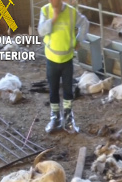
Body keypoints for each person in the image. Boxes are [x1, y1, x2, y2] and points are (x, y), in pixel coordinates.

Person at [38, 0, 89, 134]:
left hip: (67, 59)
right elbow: (41, 31)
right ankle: (55, 117)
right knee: (53, 89)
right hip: (51, 60)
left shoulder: (71, 12)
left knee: (68, 90)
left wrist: (79, 39)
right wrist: (54, 18)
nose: (53, 1)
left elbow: (84, 23)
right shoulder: (45, 10)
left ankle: (68, 119)